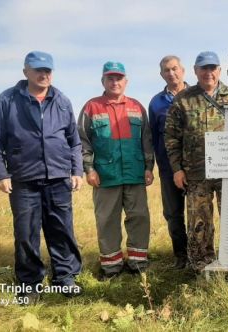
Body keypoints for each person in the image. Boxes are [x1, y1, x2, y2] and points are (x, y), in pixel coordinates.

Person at [0, 51, 83, 303]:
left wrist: (77, 170)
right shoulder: (8, 99)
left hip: (58, 177)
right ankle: (30, 284)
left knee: (61, 230)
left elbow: (74, 141)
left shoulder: (61, 100)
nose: (44, 75)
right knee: (26, 233)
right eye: (38, 70)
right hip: (23, 178)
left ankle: (65, 278)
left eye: (48, 70)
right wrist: (0, 173)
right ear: (26, 72)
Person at [164, 51, 228, 273]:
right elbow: (171, 137)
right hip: (196, 173)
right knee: (199, 223)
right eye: (203, 68)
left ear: (219, 70)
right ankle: (201, 266)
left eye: (212, 68)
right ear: (195, 71)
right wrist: (177, 169)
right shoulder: (183, 99)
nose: (208, 73)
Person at [78, 61, 154, 280]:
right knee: (107, 220)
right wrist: (89, 169)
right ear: (103, 81)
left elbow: (146, 140)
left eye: (118, 78)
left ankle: (138, 262)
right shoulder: (92, 107)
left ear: (126, 82)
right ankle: (111, 266)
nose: (114, 82)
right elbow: (82, 141)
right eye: (110, 78)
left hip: (135, 174)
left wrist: (149, 167)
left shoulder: (137, 107)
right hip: (105, 176)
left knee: (139, 217)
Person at [148, 55, 189, 269]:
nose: (171, 73)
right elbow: (153, 137)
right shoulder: (156, 103)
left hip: (196, 168)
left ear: (182, 70)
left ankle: (200, 254)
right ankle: (181, 256)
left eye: (174, 68)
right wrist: (152, 166)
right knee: (173, 214)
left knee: (198, 214)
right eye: (166, 70)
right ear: (162, 74)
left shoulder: (196, 96)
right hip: (168, 169)